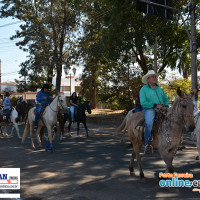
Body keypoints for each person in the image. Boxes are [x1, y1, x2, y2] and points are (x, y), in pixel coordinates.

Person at [140, 70, 169, 154]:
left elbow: (165, 99)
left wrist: (166, 106)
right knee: (149, 123)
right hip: (149, 108)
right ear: (148, 79)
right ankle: (147, 144)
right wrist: (155, 105)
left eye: (155, 77)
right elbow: (143, 102)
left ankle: (172, 141)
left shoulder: (159, 88)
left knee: (173, 118)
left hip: (162, 108)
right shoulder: (143, 89)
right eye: (152, 77)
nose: (155, 78)